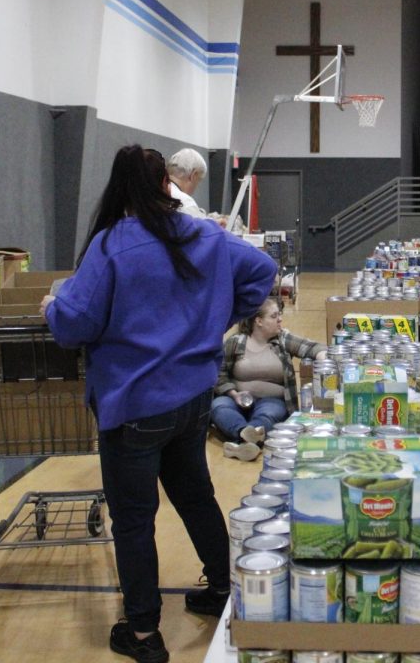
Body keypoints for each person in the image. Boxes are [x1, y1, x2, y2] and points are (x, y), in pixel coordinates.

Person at [42, 145, 275, 663]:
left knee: (133, 519)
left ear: (117, 185)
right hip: (192, 398)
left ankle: (144, 633)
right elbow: (263, 269)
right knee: (195, 496)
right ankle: (224, 590)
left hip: (135, 405)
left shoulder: (112, 244)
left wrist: (52, 308)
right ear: (168, 182)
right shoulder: (206, 234)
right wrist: (216, 317)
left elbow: (75, 325)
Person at [214, 296, 328, 461]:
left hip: (271, 400)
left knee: (269, 414)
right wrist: (233, 394)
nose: (280, 319)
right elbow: (219, 372)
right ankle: (245, 435)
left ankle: (241, 442)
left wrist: (322, 355)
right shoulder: (236, 342)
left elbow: (310, 347)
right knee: (219, 406)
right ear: (258, 321)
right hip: (237, 399)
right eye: (274, 316)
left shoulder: (283, 340)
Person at [166, 148, 208, 218]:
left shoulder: (155, 190)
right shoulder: (184, 202)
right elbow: (201, 227)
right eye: (198, 181)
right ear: (193, 175)